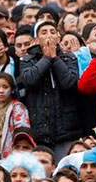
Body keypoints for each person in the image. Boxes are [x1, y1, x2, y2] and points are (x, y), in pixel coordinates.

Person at [20, 21, 81, 158]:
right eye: (44, 32)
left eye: (53, 32)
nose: (49, 36)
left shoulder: (69, 58)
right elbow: (29, 80)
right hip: (39, 131)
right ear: (36, 40)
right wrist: (46, 58)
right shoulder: (27, 60)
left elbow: (69, 83)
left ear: (58, 39)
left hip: (66, 130)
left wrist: (55, 58)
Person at [0, 73, 30, 158]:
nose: (1, 91)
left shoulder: (18, 107)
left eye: (5, 87)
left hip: (11, 151)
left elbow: (22, 131)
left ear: (12, 90)